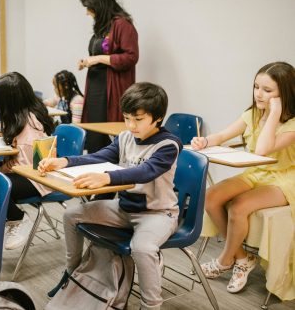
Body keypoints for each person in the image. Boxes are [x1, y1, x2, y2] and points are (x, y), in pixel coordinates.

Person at [40, 83, 182, 310]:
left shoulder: (169, 144)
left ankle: (151, 305)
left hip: (157, 214)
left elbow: (145, 172)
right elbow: (100, 156)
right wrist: (64, 161)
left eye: (138, 119)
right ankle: (73, 275)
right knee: (71, 215)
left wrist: (106, 178)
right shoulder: (125, 137)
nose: (131, 125)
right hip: (124, 209)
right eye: (127, 118)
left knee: (142, 248)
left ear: (157, 118)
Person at [192, 61, 295, 294]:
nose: (259, 93)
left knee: (239, 207)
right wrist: (205, 141)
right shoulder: (252, 114)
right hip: (258, 172)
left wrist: (275, 112)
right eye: (256, 86)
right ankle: (242, 257)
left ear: (284, 93)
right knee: (211, 196)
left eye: (267, 90)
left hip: (285, 178)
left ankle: (225, 261)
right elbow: (223, 135)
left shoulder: (292, 123)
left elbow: (262, 150)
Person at [0, 72, 55, 250]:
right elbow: (0, 128)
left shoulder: (31, 127)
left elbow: (24, 166)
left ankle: (17, 217)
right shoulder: (19, 117)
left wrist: (1, 170)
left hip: (36, 178)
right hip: (21, 169)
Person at [78, 0, 139, 153]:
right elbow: (101, 53)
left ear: (100, 6)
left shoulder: (123, 25)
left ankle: (108, 170)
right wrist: (87, 61)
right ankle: (94, 164)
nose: (87, 12)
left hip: (112, 87)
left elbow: (131, 57)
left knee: (109, 134)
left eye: (89, 8)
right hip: (96, 86)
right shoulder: (103, 26)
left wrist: (98, 58)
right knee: (95, 132)